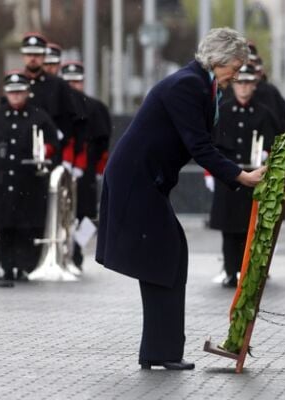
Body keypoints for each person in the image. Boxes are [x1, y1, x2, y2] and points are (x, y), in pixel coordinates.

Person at [95, 27, 266, 371]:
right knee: (164, 258)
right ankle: (162, 351)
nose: (236, 75)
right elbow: (198, 145)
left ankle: (160, 351)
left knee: (169, 258)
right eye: (235, 66)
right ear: (221, 59)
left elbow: (205, 142)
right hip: (136, 180)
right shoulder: (188, 85)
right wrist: (240, 176)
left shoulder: (200, 85)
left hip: (147, 180)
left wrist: (237, 169)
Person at [0, 72, 59, 280]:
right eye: (12, 93)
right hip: (2, 184)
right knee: (4, 229)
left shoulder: (40, 117)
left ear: (27, 93)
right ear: (6, 93)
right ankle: (7, 267)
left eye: (20, 92)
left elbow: (52, 145)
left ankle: (25, 267)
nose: (16, 96)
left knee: (27, 228)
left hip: (29, 183)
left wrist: (44, 151)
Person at [208, 64, 281, 288]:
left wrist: (267, 158)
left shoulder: (263, 113)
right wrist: (210, 173)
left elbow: (273, 143)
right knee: (228, 228)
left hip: (254, 176)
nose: (243, 87)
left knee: (251, 227)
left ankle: (249, 271)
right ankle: (230, 271)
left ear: (254, 85)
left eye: (248, 83)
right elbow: (211, 145)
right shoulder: (223, 109)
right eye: (240, 82)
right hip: (229, 177)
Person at [61, 61, 112, 269]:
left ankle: (77, 251)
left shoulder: (95, 107)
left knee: (87, 215)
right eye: (69, 81)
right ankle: (64, 251)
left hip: (87, 168)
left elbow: (102, 141)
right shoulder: (60, 107)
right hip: (64, 165)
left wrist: (97, 167)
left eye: (77, 81)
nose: (73, 85)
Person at [19, 33, 84, 173]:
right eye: (29, 54)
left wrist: (65, 153)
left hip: (52, 154)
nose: (32, 58)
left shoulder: (58, 86)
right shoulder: (17, 84)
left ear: (43, 56)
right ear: (23, 56)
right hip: (20, 153)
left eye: (37, 54)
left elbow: (70, 123)